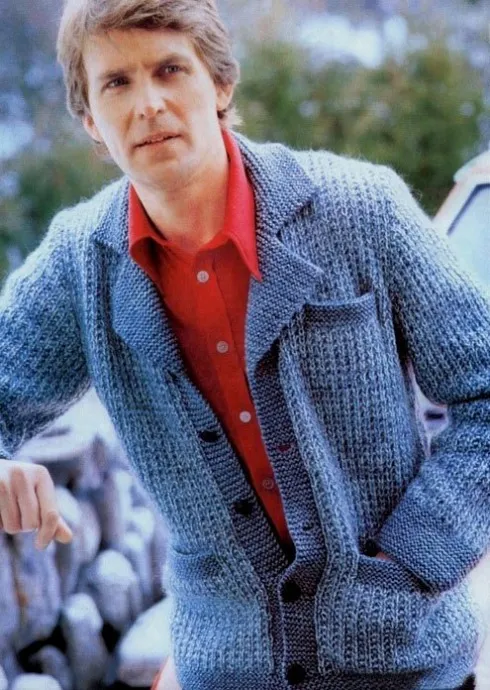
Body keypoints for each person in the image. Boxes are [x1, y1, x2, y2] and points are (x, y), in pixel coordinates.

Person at [0, 0, 487, 688]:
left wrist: (417, 556)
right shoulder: (78, 266)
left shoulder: (364, 210)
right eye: (116, 83)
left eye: (170, 70)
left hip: (408, 664)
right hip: (226, 671)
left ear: (221, 83)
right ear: (90, 122)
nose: (148, 104)